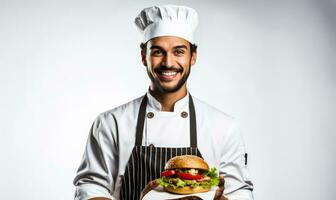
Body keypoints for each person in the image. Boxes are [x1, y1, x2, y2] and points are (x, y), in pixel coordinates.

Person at [73, 4, 254, 200]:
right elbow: (90, 190)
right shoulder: (111, 123)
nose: (168, 63)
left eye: (178, 52)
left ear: (193, 56)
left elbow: (240, 193)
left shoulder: (224, 127)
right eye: (158, 52)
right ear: (144, 56)